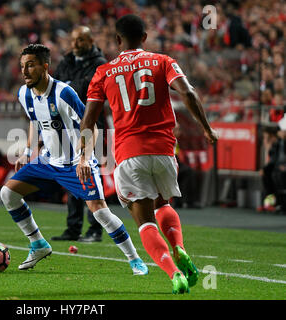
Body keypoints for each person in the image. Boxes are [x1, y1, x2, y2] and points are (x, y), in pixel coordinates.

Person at [77, 15, 218, 294]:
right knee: (163, 203)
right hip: (164, 151)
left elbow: (88, 121)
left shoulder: (103, 72)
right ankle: (178, 247)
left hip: (130, 153)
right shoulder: (163, 61)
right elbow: (188, 93)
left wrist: (84, 156)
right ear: (144, 37)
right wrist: (206, 128)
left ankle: (173, 272)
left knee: (144, 221)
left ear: (118, 40)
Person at [0, 44, 148, 275]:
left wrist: (85, 159)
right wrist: (29, 151)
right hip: (48, 162)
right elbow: (35, 122)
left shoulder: (63, 93)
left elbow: (92, 127)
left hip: (76, 163)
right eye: (22, 66)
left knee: (100, 212)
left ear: (45, 66)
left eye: (30, 65)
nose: (25, 71)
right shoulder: (24, 93)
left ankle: (135, 260)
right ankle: (38, 244)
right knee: (8, 193)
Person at [51, 26, 107, 242]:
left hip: (91, 126)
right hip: (67, 127)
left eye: (81, 40)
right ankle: (73, 228)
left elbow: (87, 93)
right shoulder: (66, 62)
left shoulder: (99, 64)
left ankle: (95, 229)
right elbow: (54, 89)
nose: (75, 45)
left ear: (91, 40)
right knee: (71, 176)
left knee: (91, 175)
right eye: (74, 40)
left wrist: (68, 88)